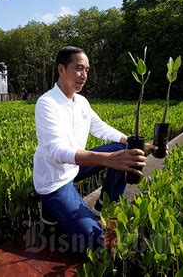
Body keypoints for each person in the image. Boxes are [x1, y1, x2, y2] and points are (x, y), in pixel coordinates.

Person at [33, 46, 156, 253]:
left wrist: (137, 145)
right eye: (79, 68)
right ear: (61, 70)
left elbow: (101, 128)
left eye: (87, 70)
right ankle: (52, 208)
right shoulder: (47, 103)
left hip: (75, 167)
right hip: (54, 179)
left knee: (121, 148)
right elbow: (56, 151)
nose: (84, 75)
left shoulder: (81, 102)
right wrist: (108, 159)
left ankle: (101, 209)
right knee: (97, 244)